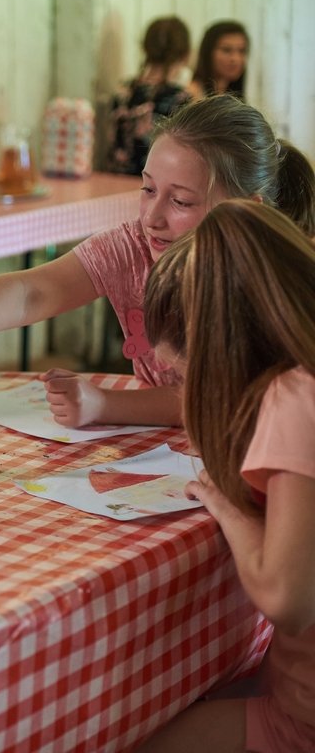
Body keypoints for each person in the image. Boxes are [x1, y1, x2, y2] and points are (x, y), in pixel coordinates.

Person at [0, 94, 315, 429]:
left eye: (181, 201)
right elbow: (31, 293)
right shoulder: (133, 247)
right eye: (148, 190)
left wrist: (106, 404)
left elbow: (216, 399)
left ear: (248, 209)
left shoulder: (261, 280)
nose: (152, 217)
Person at [136, 200, 315, 753]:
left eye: (187, 374)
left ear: (224, 351)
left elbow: (288, 599)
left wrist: (228, 506)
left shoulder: (294, 399)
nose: (186, 394)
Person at [107, 16, 193, 175]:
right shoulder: (181, 98)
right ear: (186, 53)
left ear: (145, 48)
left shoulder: (122, 91)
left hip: (116, 178)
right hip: (154, 183)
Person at [188, 21, 250, 100]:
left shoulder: (234, 98)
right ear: (208, 52)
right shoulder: (190, 95)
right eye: (226, 50)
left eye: (242, 51)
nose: (235, 58)